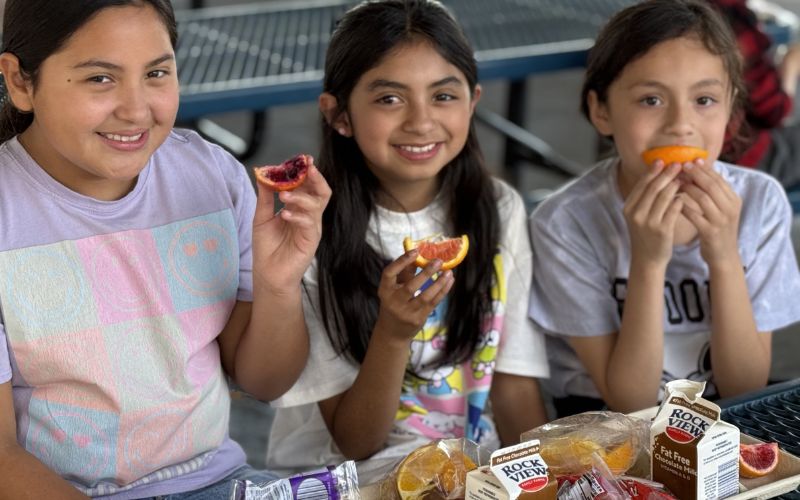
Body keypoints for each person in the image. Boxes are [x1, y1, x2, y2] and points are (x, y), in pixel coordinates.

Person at [0, 1, 330, 498]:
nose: (136, 109)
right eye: (99, 79)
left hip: (220, 480)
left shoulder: (211, 176)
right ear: (20, 81)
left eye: (156, 72)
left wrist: (278, 285)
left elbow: (265, 382)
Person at [265, 0, 550, 483]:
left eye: (443, 96)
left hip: (472, 475)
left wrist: (551, 481)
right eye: (390, 99)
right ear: (339, 115)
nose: (420, 121)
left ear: (473, 100)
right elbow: (356, 442)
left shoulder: (498, 208)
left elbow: (513, 386)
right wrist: (395, 332)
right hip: (347, 478)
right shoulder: (307, 230)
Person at [528, 0, 800, 418]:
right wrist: (650, 261)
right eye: (651, 100)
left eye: (705, 99)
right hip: (605, 421)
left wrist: (725, 256)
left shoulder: (760, 203)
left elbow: (745, 387)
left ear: (731, 110)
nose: (681, 124)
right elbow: (630, 402)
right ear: (601, 110)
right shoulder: (565, 223)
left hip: (724, 411)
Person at [709, 0, 800, 189]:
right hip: (741, 162)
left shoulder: (662, 15)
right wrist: (792, 63)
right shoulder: (730, 23)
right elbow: (773, 112)